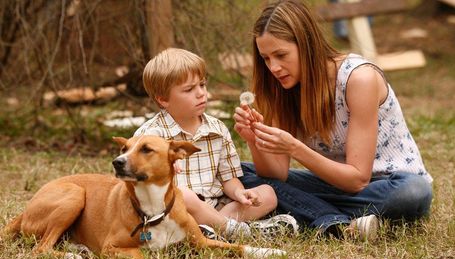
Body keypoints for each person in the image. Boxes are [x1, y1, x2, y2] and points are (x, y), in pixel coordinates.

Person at [233, 0, 432, 240]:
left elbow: (358, 180)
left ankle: (311, 212)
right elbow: (275, 175)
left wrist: (296, 148)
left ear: (306, 45)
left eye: (281, 55)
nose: (274, 67)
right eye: (266, 58)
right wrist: (254, 141)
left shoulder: (358, 78)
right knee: (239, 171)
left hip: (386, 186)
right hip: (333, 186)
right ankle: (336, 222)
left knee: (413, 192)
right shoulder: (281, 89)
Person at [134, 48, 298, 240]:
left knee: (268, 194)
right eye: (189, 89)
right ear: (163, 100)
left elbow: (228, 179)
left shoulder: (217, 129)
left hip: (215, 206)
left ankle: (208, 231)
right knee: (184, 196)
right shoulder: (151, 136)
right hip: (172, 211)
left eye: (202, 85)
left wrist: (240, 192)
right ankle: (239, 232)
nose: (201, 94)